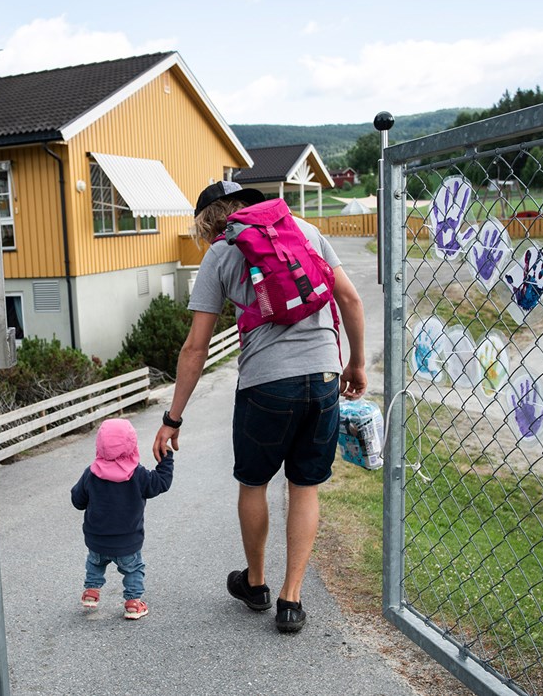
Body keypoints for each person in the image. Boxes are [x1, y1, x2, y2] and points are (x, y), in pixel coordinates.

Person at [151, 181, 366, 634]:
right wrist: (356, 364)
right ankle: (291, 600)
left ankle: (256, 584)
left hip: (266, 386)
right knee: (304, 487)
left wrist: (173, 417)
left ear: (208, 221)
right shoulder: (304, 230)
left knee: (254, 483)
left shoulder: (219, 253)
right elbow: (349, 298)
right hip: (324, 377)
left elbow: (196, 347)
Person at [72, 417, 174, 620]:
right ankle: (133, 603)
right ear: (131, 444)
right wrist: (166, 458)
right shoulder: (138, 475)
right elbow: (161, 482)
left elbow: (77, 500)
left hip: (97, 538)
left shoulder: (91, 474)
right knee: (133, 569)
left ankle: (91, 591)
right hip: (128, 541)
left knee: (95, 562)